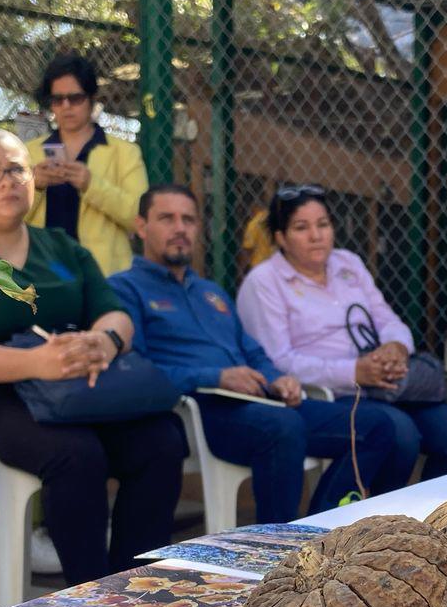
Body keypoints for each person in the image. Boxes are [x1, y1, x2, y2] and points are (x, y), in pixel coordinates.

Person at [0, 128, 186, 585]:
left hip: (72, 385)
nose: (7, 181)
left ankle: (134, 585)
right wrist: (33, 363)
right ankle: (89, 595)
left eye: (18, 170)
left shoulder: (60, 245)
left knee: (161, 439)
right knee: (76, 455)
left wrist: (105, 342)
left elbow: (115, 314)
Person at [108, 184, 396, 524]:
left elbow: (251, 349)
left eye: (188, 220)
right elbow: (138, 369)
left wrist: (278, 379)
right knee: (282, 426)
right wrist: (216, 377)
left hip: (260, 401)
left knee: (375, 425)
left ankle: (319, 532)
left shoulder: (210, 292)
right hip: (202, 409)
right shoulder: (124, 288)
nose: (180, 228)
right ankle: (274, 553)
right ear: (141, 227)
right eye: (167, 219)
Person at [238, 185, 447, 492]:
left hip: (382, 384)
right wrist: (353, 372)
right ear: (281, 237)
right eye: (301, 227)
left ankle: (431, 514)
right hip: (329, 395)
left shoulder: (347, 263)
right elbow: (277, 361)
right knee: (400, 434)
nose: (316, 235)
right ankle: (376, 521)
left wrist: (395, 347)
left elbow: (386, 318)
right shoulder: (264, 282)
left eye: (323, 224)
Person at [25, 54, 147, 276]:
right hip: (42, 275)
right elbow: (8, 218)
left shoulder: (125, 152)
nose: (66, 106)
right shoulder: (29, 152)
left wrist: (92, 185)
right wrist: (35, 186)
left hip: (104, 276)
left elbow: (139, 219)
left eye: (75, 98)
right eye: (57, 99)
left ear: (92, 98)